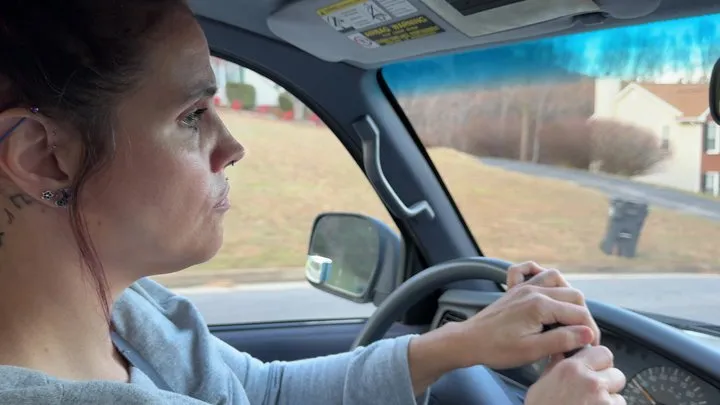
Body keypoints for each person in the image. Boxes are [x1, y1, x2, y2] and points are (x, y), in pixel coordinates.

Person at [0, 1, 626, 404]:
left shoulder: (130, 313)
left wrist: (460, 344)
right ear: (44, 157)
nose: (233, 146)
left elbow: (258, 393)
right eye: (192, 115)